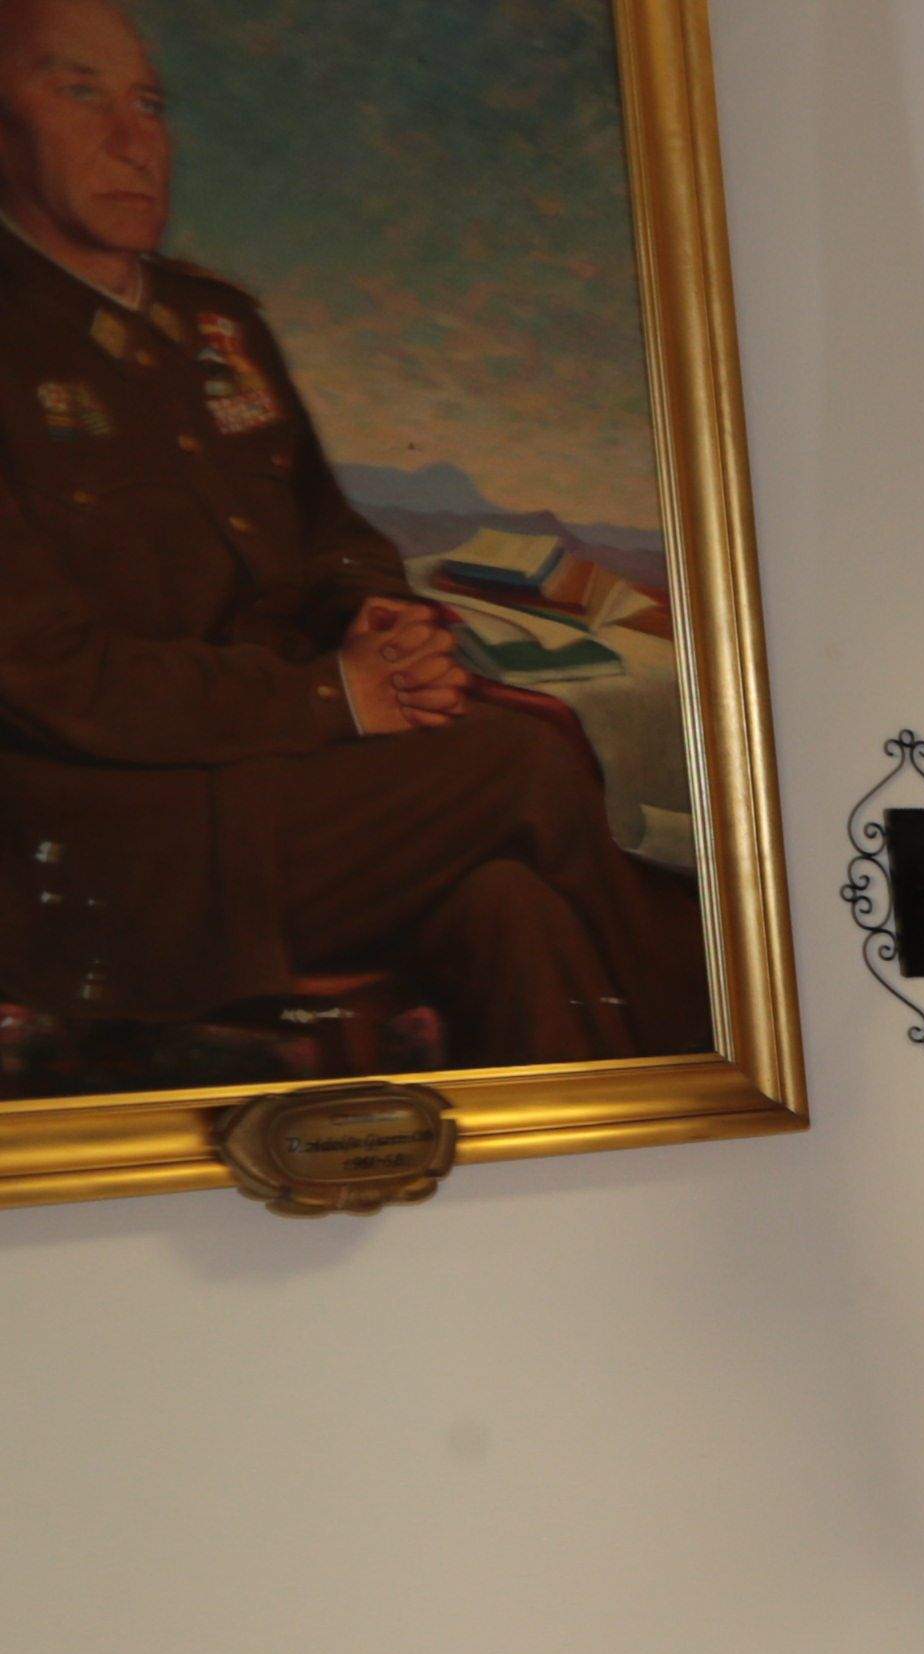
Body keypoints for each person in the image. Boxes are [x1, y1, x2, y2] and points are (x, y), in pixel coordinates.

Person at [0, 0, 692, 1087]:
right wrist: (336, 697)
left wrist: (382, 619)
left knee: (510, 908)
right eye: (80, 93)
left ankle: (614, 1154)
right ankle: (720, 1058)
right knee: (525, 764)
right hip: (120, 851)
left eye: (149, 102)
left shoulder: (216, 323)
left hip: (293, 799)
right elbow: (49, 678)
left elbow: (332, 533)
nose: (135, 140)